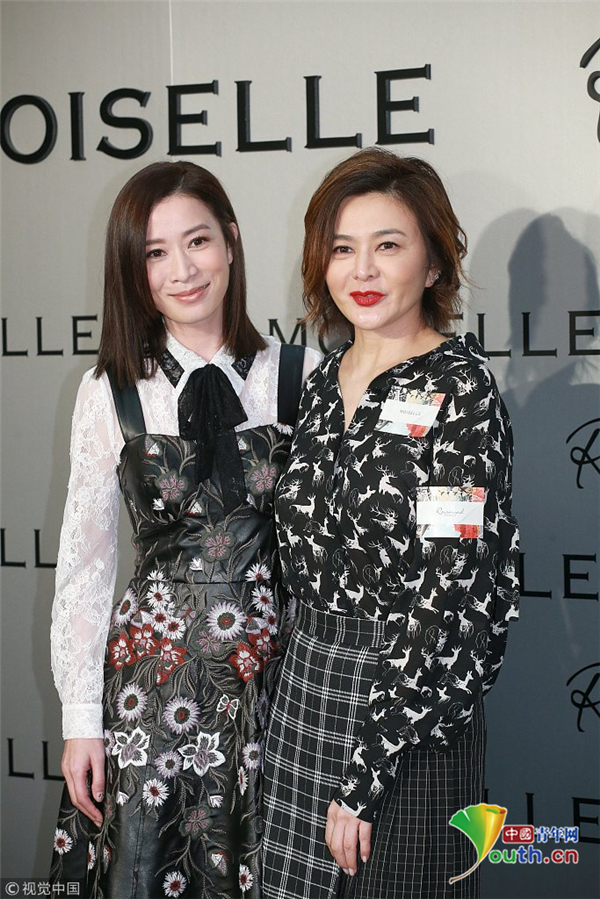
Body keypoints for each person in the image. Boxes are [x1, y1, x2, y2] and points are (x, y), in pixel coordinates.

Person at [49, 161, 321, 899]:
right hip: (151, 691)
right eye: (155, 253)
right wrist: (81, 720)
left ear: (230, 240)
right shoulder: (108, 390)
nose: (183, 270)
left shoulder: (301, 375)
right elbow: (85, 565)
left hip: (276, 689)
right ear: (132, 271)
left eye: (197, 241)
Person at [262, 148, 520, 899]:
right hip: (306, 692)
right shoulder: (320, 384)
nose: (363, 270)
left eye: (388, 245)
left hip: (411, 712)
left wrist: (370, 768)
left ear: (433, 265)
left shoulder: (460, 390)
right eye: (342, 248)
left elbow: (452, 593)